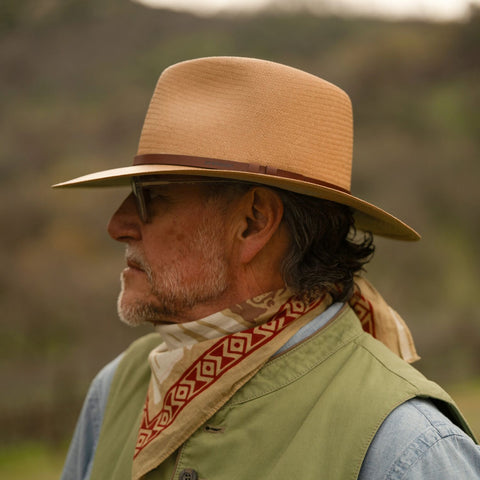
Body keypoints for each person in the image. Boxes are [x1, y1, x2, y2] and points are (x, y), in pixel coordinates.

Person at [55, 57, 480, 480]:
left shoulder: (407, 447)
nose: (118, 225)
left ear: (253, 222)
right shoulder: (114, 391)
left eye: (152, 198)